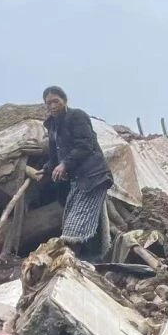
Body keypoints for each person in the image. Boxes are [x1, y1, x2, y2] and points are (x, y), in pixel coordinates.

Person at [42, 85, 113, 258]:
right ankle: (92, 260)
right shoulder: (52, 126)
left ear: (65, 101)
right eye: (48, 103)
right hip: (78, 181)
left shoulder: (77, 116)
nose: (52, 106)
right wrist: (47, 169)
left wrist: (65, 164)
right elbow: (55, 154)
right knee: (79, 220)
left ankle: (73, 260)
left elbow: (85, 145)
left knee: (76, 224)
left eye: (55, 101)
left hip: (92, 176)